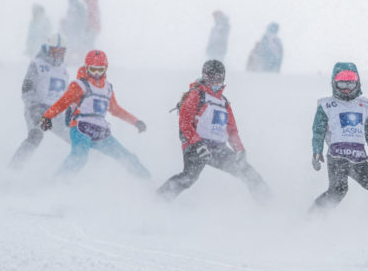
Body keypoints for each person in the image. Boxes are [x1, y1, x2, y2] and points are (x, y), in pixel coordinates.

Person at [157, 59, 270, 201]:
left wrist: (239, 149)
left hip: (217, 148)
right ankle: (159, 199)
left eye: (219, 78)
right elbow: (185, 122)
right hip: (196, 146)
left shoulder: (223, 102)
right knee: (189, 177)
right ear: (205, 76)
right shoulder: (197, 95)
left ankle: (268, 202)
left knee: (245, 170)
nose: (216, 82)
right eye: (212, 78)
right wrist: (197, 144)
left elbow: (231, 130)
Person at [40, 49, 149, 178]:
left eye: (100, 70)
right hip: (81, 128)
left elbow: (115, 110)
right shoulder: (79, 85)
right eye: (93, 70)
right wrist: (47, 117)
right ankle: (57, 183)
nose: (97, 74)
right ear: (86, 68)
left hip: (100, 131)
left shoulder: (107, 88)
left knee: (125, 156)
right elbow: (62, 103)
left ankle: (148, 182)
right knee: (80, 157)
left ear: (106, 68)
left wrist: (135, 121)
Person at [310, 63, 368, 213]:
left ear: (357, 83)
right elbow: (318, 131)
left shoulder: (364, 106)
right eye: (342, 83)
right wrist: (316, 151)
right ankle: (313, 217)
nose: (346, 88)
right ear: (334, 83)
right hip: (336, 156)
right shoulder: (327, 105)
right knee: (338, 190)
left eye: (350, 83)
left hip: (358, 157)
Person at [10, 35, 72, 167]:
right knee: (36, 136)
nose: (58, 56)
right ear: (49, 49)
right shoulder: (37, 64)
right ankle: (12, 170)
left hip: (55, 113)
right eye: (55, 51)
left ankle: (92, 168)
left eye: (61, 52)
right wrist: (33, 108)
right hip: (37, 109)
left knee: (76, 138)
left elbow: (66, 94)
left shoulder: (64, 70)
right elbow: (27, 87)